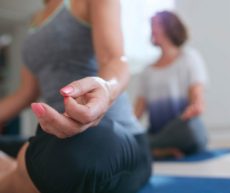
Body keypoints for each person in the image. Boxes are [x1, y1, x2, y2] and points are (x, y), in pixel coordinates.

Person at [0, 0, 152, 192]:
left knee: (76, 158)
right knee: (51, 158)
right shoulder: (34, 19)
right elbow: (26, 92)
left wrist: (105, 87)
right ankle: (23, 171)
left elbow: (114, 59)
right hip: (58, 137)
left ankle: (15, 174)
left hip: (112, 135)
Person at [134, 11, 208, 159]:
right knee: (131, 139)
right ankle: (158, 149)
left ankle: (149, 149)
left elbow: (197, 96)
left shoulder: (189, 58)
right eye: (152, 25)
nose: (153, 29)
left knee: (191, 132)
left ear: (170, 27)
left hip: (182, 128)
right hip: (157, 132)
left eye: (157, 24)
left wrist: (195, 107)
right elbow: (138, 110)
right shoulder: (147, 70)